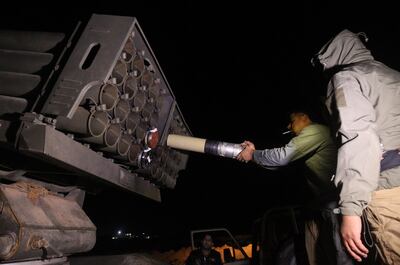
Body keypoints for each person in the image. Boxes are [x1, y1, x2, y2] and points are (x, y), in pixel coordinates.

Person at [311, 29, 400, 265]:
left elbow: (359, 137)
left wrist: (350, 209)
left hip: (389, 191)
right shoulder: (393, 74)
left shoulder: (346, 78)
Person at [237, 111, 353, 265]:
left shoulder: (314, 131)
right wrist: (254, 155)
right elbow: (278, 165)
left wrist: (253, 155)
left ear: (304, 117)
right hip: (323, 203)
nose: (288, 126)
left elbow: (281, 157)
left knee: (341, 254)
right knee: (326, 252)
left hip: (334, 201)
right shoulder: (312, 138)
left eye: (292, 121)